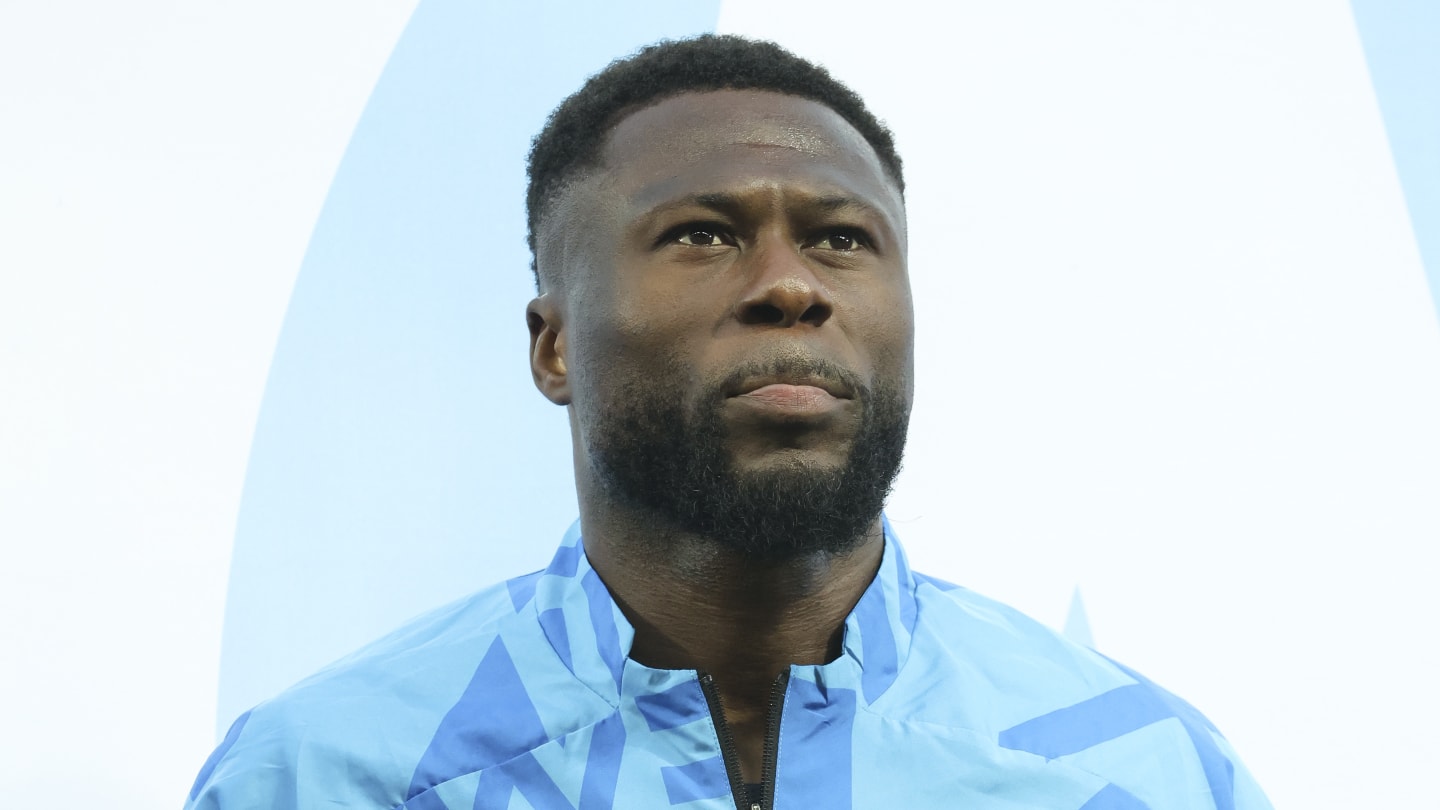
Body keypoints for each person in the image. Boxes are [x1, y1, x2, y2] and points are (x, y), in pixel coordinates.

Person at [185, 35, 1271, 810]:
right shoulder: (325, 775)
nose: (792, 285)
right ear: (554, 347)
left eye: (842, 238)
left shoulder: (1143, 773)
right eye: (703, 234)